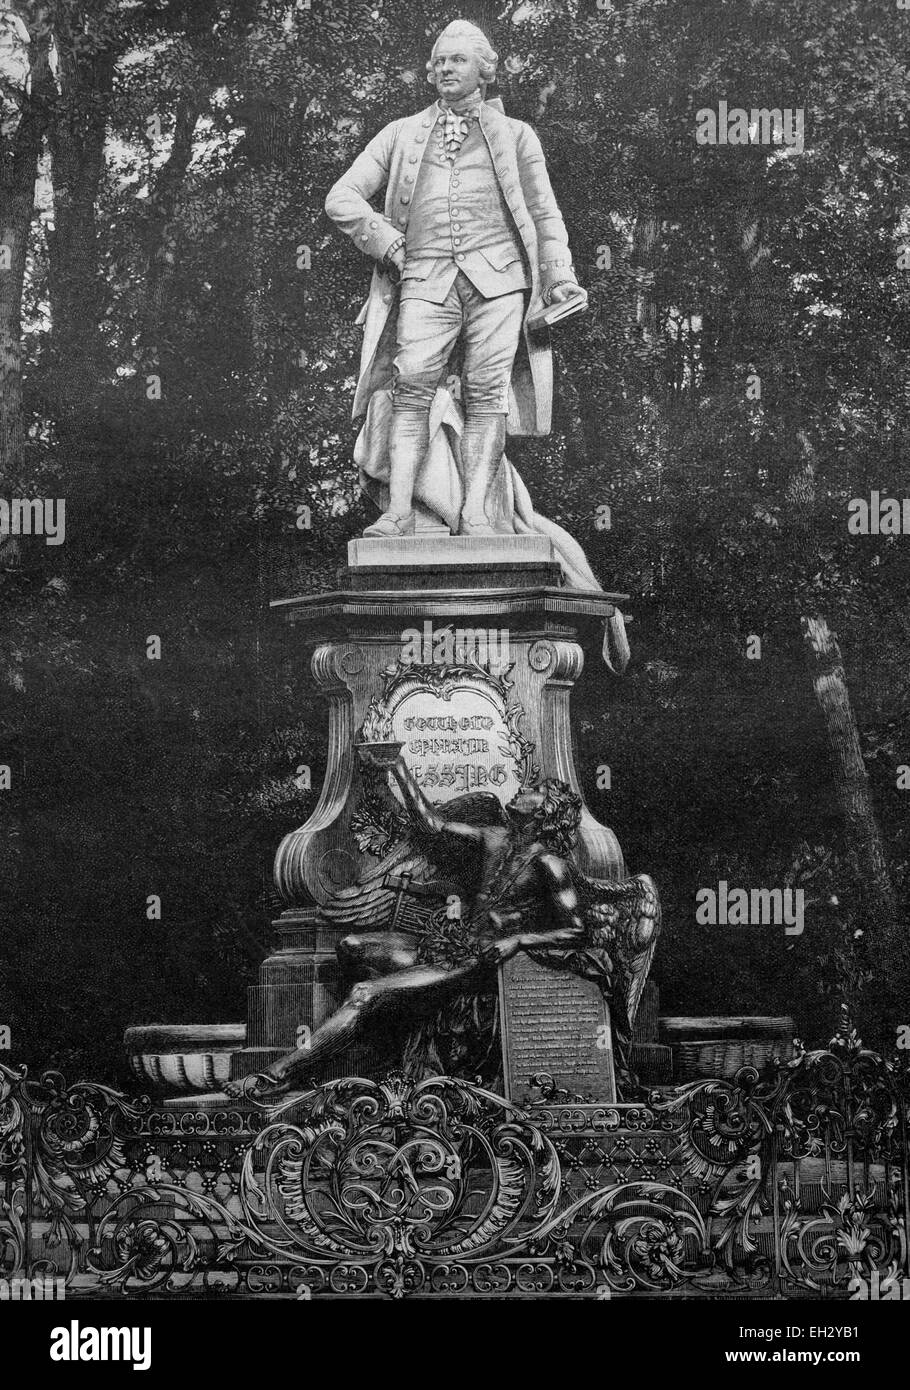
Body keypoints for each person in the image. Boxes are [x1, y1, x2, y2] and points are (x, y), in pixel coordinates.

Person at [325, 18, 588, 542]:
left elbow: (544, 214)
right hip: (422, 279)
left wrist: (558, 275)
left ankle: (476, 516)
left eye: (457, 60)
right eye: (439, 60)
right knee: (410, 389)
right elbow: (342, 197)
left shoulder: (517, 136)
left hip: (501, 282)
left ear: (484, 72)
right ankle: (398, 514)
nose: (445, 68)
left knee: (489, 395)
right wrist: (388, 241)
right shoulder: (401, 133)